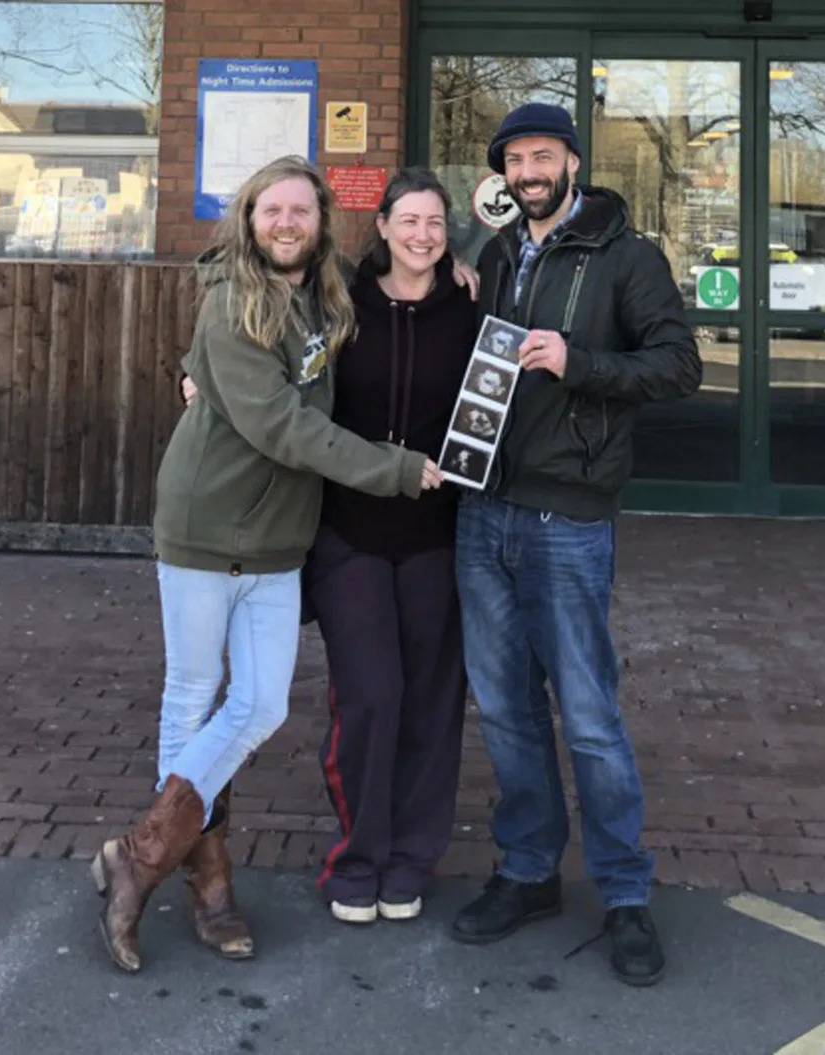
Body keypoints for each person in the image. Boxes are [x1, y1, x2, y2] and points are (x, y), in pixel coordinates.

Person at [90, 156, 441, 974]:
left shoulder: (327, 291)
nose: (286, 223)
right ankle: (203, 884)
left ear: (323, 224)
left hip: (281, 542)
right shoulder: (231, 304)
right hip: (206, 529)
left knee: (261, 704)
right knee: (192, 700)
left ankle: (136, 856)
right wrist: (394, 469)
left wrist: (450, 259)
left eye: (302, 211)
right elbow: (286, 427)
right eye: (271, 209)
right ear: (249, 219)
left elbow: (401, 271)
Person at [450, 103, 702, 987]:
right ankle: (528, 873)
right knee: (508, 710)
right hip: (484, 515)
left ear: (572, 162)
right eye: (515, 159)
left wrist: (579, 359)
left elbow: (679, 365)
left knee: (590, 719)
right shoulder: (496, 255)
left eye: (543, 155)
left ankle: (625, 894)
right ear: (504, 174)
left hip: (569, 520)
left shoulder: (625, 257)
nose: (530, 170)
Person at [304, 168, 476, 923]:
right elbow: (270, 355)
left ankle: (411, 857)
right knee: (371, 697)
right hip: (353, 534)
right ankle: (359, 855)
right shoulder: (340, 303)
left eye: (435, 222)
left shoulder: (471, 309)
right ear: (381, 226)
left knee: (433, 705)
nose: (422, 235)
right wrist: (193, 374)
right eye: (409, 220)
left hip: (440, 537)